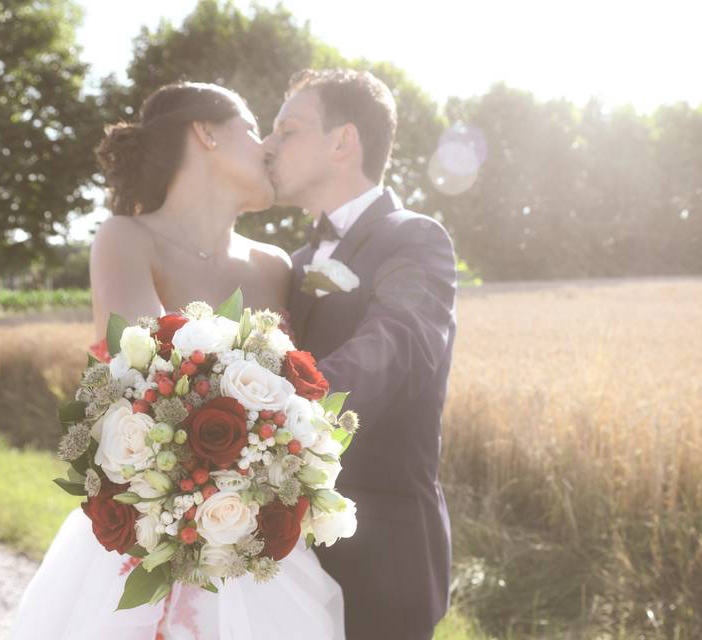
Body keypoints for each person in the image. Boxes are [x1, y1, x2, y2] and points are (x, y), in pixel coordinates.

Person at [9, 82, 344, 640]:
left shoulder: (275, 265)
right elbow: (144, 382)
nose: (267, 146)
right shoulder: (126, 239)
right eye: (253, 127)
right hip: (154, 531)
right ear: (206, 132)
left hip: (253, 539)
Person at [264, 68, 457, 640]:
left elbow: (396, 344)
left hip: (386, 553)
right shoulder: (289, 263)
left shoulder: (415, 237)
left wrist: (272, 407)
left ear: (343, 141)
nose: (268, 146)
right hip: (285, 550)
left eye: (287, 129)